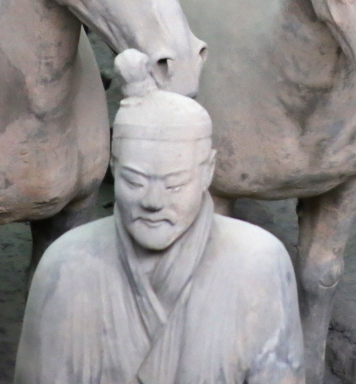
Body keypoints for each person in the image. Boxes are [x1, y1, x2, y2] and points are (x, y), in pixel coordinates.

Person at [15, 50, 304, 384]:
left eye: (175, 184)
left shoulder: (259, 263)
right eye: (134, 181)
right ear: (113, 167)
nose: (152, 201)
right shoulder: (66, 267)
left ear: (207, 171)